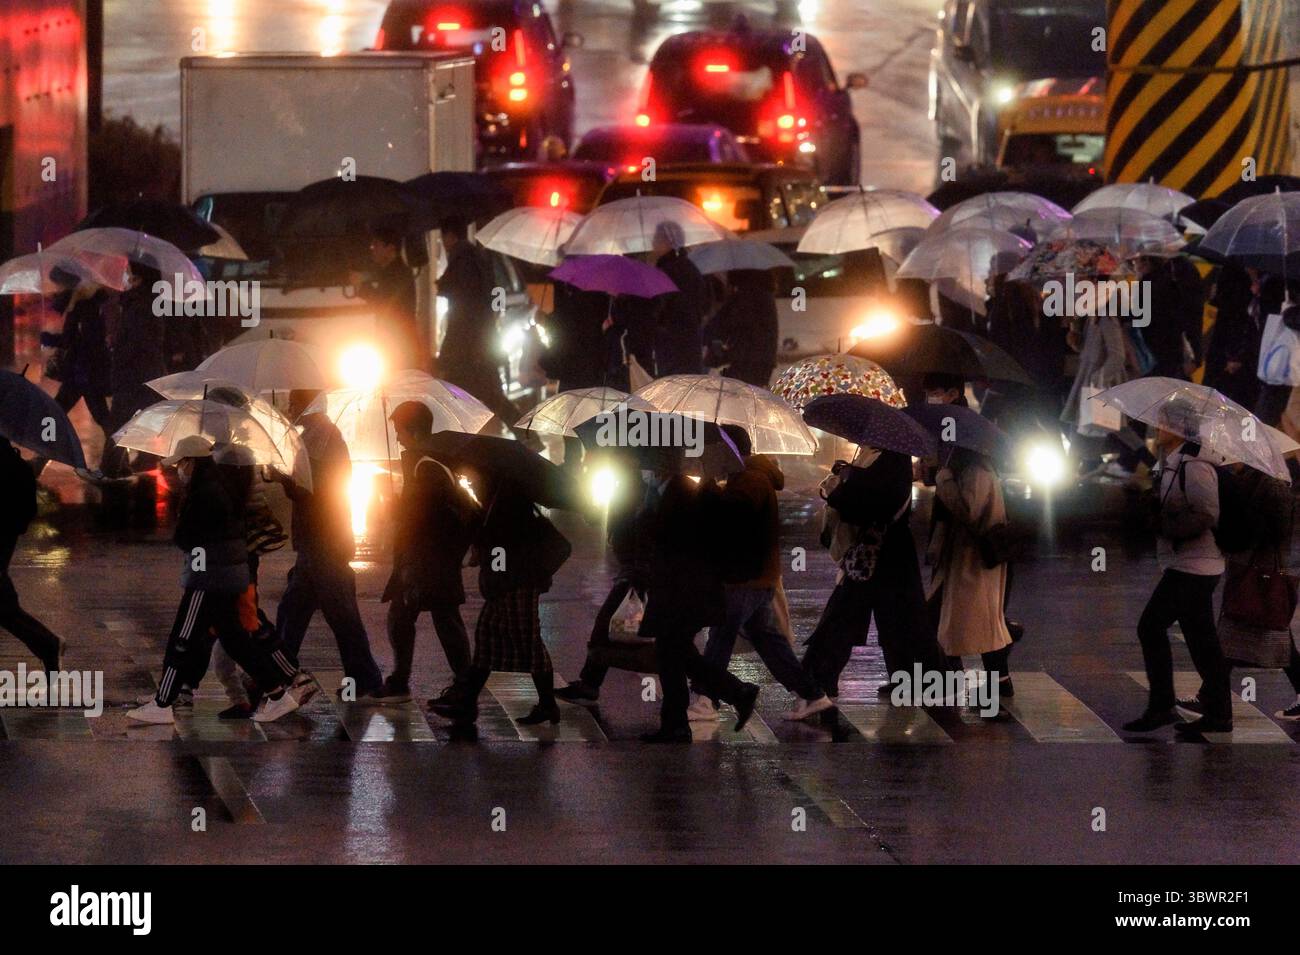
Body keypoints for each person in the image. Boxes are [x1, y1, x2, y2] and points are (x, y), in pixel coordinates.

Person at [127, 435, 301, 725]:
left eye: (181, 463)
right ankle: (279, 695)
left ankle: (162, 704)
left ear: (191, 462)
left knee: (182, 637)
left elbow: (186, 537)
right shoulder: (217, 485)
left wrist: (182, 516)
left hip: (208, 577)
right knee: (235, 640)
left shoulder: (206, 492)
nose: (178, 470)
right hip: (224, 573)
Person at [692, 441, 832, 722]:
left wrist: (707, 487)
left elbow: (734, 519)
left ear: (727, 451)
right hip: (754, 576)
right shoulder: (745, 477)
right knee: (767, 640)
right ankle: (813, 695)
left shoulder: (751, 479)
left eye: (712, 452)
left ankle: (706, 700)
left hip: (746, 577)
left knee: (720, 636)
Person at [802, 446, 945, 699]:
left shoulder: (891, 461)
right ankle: (911, 677)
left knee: (848, 616)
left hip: (878, 553)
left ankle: (820, 677)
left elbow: (874, 502)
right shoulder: (885, 459)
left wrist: (845, 484)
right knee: (894, 618)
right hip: (883, 554)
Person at [429, 477, 571, 726]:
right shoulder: (497, 499)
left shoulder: (509, 500)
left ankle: (547, 704)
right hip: (504, 584)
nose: (471, 482)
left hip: (515, 585)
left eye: (475, 478)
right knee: (487, 639)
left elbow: (504, 544)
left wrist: (495, 566)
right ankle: (467, 702)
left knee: (528, 643)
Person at [1123, 405, 1229, 735]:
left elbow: (1208, 514)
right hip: (1187, 563)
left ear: (1181, 429)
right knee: (1201, 640)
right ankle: (1215, 714)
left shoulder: (1195, 466)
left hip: (1196, 565)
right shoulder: (1171, 462)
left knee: (1151, 627)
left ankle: (1164, 707)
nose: (1157, 426)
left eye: (1164, 422)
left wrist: (1167, 525)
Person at [273, 408, 391, 704]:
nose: (289, 409)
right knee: (294, 611)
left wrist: (284, 476)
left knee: (339, 615)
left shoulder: (324, 439)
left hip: (324, 542)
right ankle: (277, 674)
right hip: (317, 542)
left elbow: (311, 492)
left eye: (294, 401)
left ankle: (364, 678)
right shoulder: (315, 438)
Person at [638, 458, 760, 742]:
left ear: (659, 465)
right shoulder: (677, 491)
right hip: (682, 591)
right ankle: (727, 697)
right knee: (677, 654)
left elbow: (666, 538)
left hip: (684, 593)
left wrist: (646, 514)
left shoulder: (681, 495)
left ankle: (687, 719)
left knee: (672, 654)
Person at [381, 401, 478, 704]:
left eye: (399, 430)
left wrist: (393, 506)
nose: (396, 437)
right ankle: (403, 680)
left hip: (430, 559)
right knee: (405, 615)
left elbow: (426, 514)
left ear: (412, 431)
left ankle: (463, 685)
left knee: (443, 618)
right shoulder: (425, 462)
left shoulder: (428, 466)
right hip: (424, 558)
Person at [556, 465, 655, 704]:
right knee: (607, 628)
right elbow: (599, 518)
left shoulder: (638, 493)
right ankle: (590, 683)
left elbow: (611, 522)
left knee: (605, 627)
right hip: (633, 572)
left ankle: (590, 684)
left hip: (635, 575)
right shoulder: (632, 490)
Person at [927, 447, 1014, 706]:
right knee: (974, 624)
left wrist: (944, 480)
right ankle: (995, 681)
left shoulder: (976, 473)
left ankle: (967, 683)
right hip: (965, 560)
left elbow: (968, 511)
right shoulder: (972, 470)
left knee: (978, 625)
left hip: (973, 560)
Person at [435, 215, 520, 427]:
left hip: (468, 346)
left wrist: (450, 349)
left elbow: (464, 307)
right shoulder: (476, 257)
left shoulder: (462, 261)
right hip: (480, 343)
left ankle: (525, 436)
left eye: (443, 238)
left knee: (461, 393)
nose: (443, 243)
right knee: (485, 395)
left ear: (450, 236)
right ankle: (526, 436)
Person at [0, 438, 64, 672]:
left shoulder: (12, 466)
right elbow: (26, 513)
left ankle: (47, 643)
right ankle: (47, 643)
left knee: (4, 606)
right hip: (7, 538)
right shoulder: (18, 466)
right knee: (4, 605)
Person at [103, 264, 168, 476]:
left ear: (139, 279)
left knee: (119, 422)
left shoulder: (139, 305)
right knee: (140, 418)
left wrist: (117, 356)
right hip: (147, 372)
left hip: (134, 373)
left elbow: (135, 341)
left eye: (130, 273)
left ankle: (111, 469)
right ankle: (143, 461)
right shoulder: (149, 302)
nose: (126, 277)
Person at [39, 274, 114, 453]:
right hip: (82, 374)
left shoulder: (85, 307)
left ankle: (118, 459)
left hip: (84, 374)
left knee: (58, 413)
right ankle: (40, 457)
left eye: (60, 284)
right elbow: (75, 339)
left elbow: (86, 341)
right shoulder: (84, 305)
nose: (57, 289)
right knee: (100, 418)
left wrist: (51, 339)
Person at [352, 223, 421, 370]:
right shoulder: (388, 272)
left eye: (377, 245)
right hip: (395, 343)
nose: (372, 249)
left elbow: (385, 302)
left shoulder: (398, 273)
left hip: (399, 345)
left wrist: (362, 287)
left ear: (390, 249)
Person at [650, 221, 708, 376]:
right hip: (690, 346)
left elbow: (658, 308)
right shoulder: (689, 267)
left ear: (668, 242)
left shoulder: (667, 271)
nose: (653, 244)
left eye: (656, 239)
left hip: (671, 347)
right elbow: (705, 303)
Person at [703, 269, 779, 387]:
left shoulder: (744, 296)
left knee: (737, 398)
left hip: (745, 361)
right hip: (764, 361)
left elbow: (721, 326)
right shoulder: (765, 295)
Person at [1203, 263, 1262, 411]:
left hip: (1233, 349)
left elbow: (1142, 317)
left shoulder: (1238, 271)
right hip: (1234, 349)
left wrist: (1236, 355)